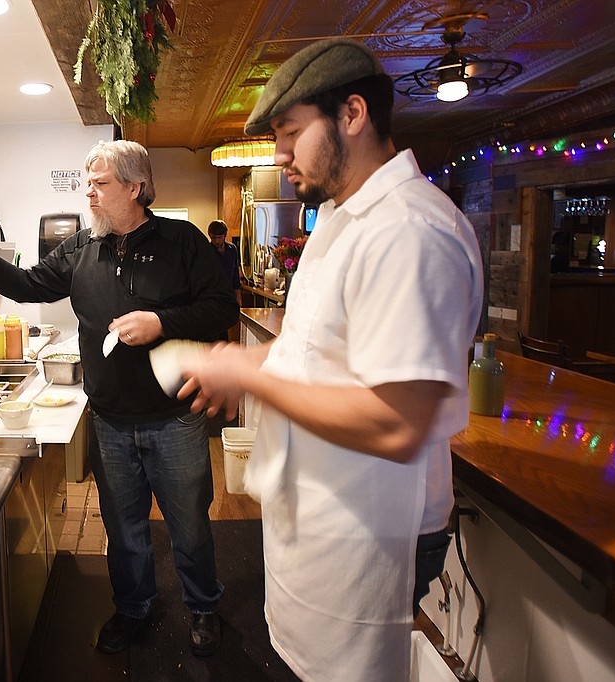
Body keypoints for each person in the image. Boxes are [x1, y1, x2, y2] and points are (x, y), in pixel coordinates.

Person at [179, 39, 483, 680]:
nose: (280, 154)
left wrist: (242, 372)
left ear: (352, 114)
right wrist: (245, 367)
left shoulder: (409, 230)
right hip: (320, 519)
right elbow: (316, 358)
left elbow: (395, 422)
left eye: (290, 132)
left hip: (371, 529)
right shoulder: (341, 222)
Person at [0, 140, 239, 657]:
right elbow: (30, 285)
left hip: (175, 418)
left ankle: (204, 606)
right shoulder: (81, 248)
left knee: (189, 521)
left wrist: (161, 321)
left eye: (99, 184)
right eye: (88, 183)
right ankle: (134, 608)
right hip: (110, 420)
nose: (89, 193)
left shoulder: (182, 241)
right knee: (123, 529)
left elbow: (218, 308)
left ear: (135, 187)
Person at [207, 219, 243, 307]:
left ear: (225, 235)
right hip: (212, 297)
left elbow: (235, 277)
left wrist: (238, 299)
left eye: (219, 237)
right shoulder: (207, 251)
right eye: (213, 238)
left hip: (229, 295)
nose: (216, 241)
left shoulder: (232, 249)